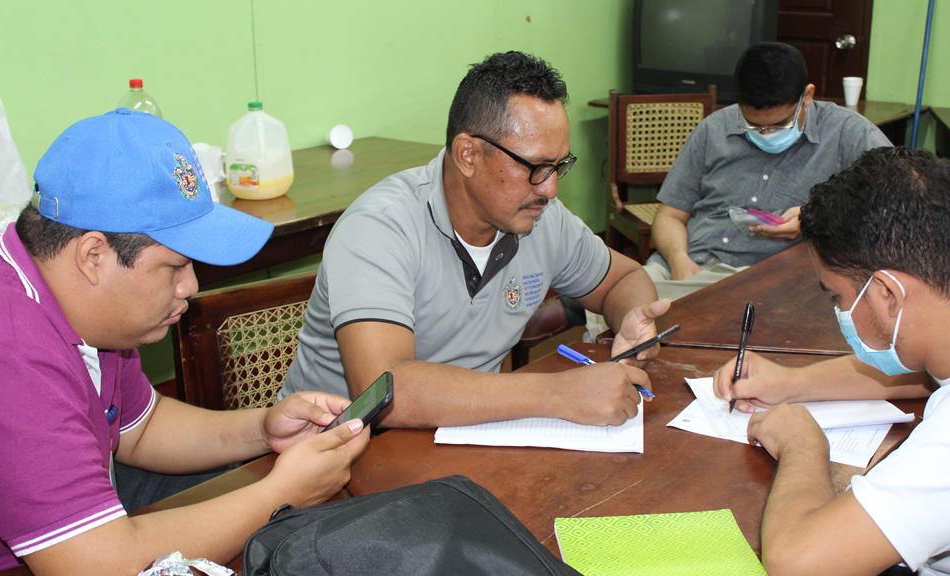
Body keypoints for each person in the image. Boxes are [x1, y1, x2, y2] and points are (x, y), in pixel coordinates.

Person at [0, 109, 370, 575]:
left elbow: (138, 429)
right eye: (175, 266)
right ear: (93, 256)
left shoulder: (69, 293)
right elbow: (98, 567)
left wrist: (262, 430)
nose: (190, 286)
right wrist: (281, 494)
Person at [282, 51, 668, 428]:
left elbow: (624, 278)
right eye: (536, 167)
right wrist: (558, 394)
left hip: (459, 437)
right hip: (334, 460)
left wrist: (632, 318)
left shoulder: (540, 218)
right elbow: (385, 393)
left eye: (559, 166)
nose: (550, 189)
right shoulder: (379, 228)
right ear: (468, 154)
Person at [712, 147, 950, 575]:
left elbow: (797, 564)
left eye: (837, 296)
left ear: (888, 295)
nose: (838, 310)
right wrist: (791, 382)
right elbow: (925, 375)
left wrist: (803, 446)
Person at [646, 42, 892, 301]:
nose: (766, 134)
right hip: (679, 267)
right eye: (752, 125)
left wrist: (814, 219)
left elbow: (893, 210)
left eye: (780, 124)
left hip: (758, 280)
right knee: (614, 302)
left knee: (636, 318)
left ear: (807, 96)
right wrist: (679, 261)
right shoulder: (714, 128)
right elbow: (669, 216)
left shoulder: (849, 134)